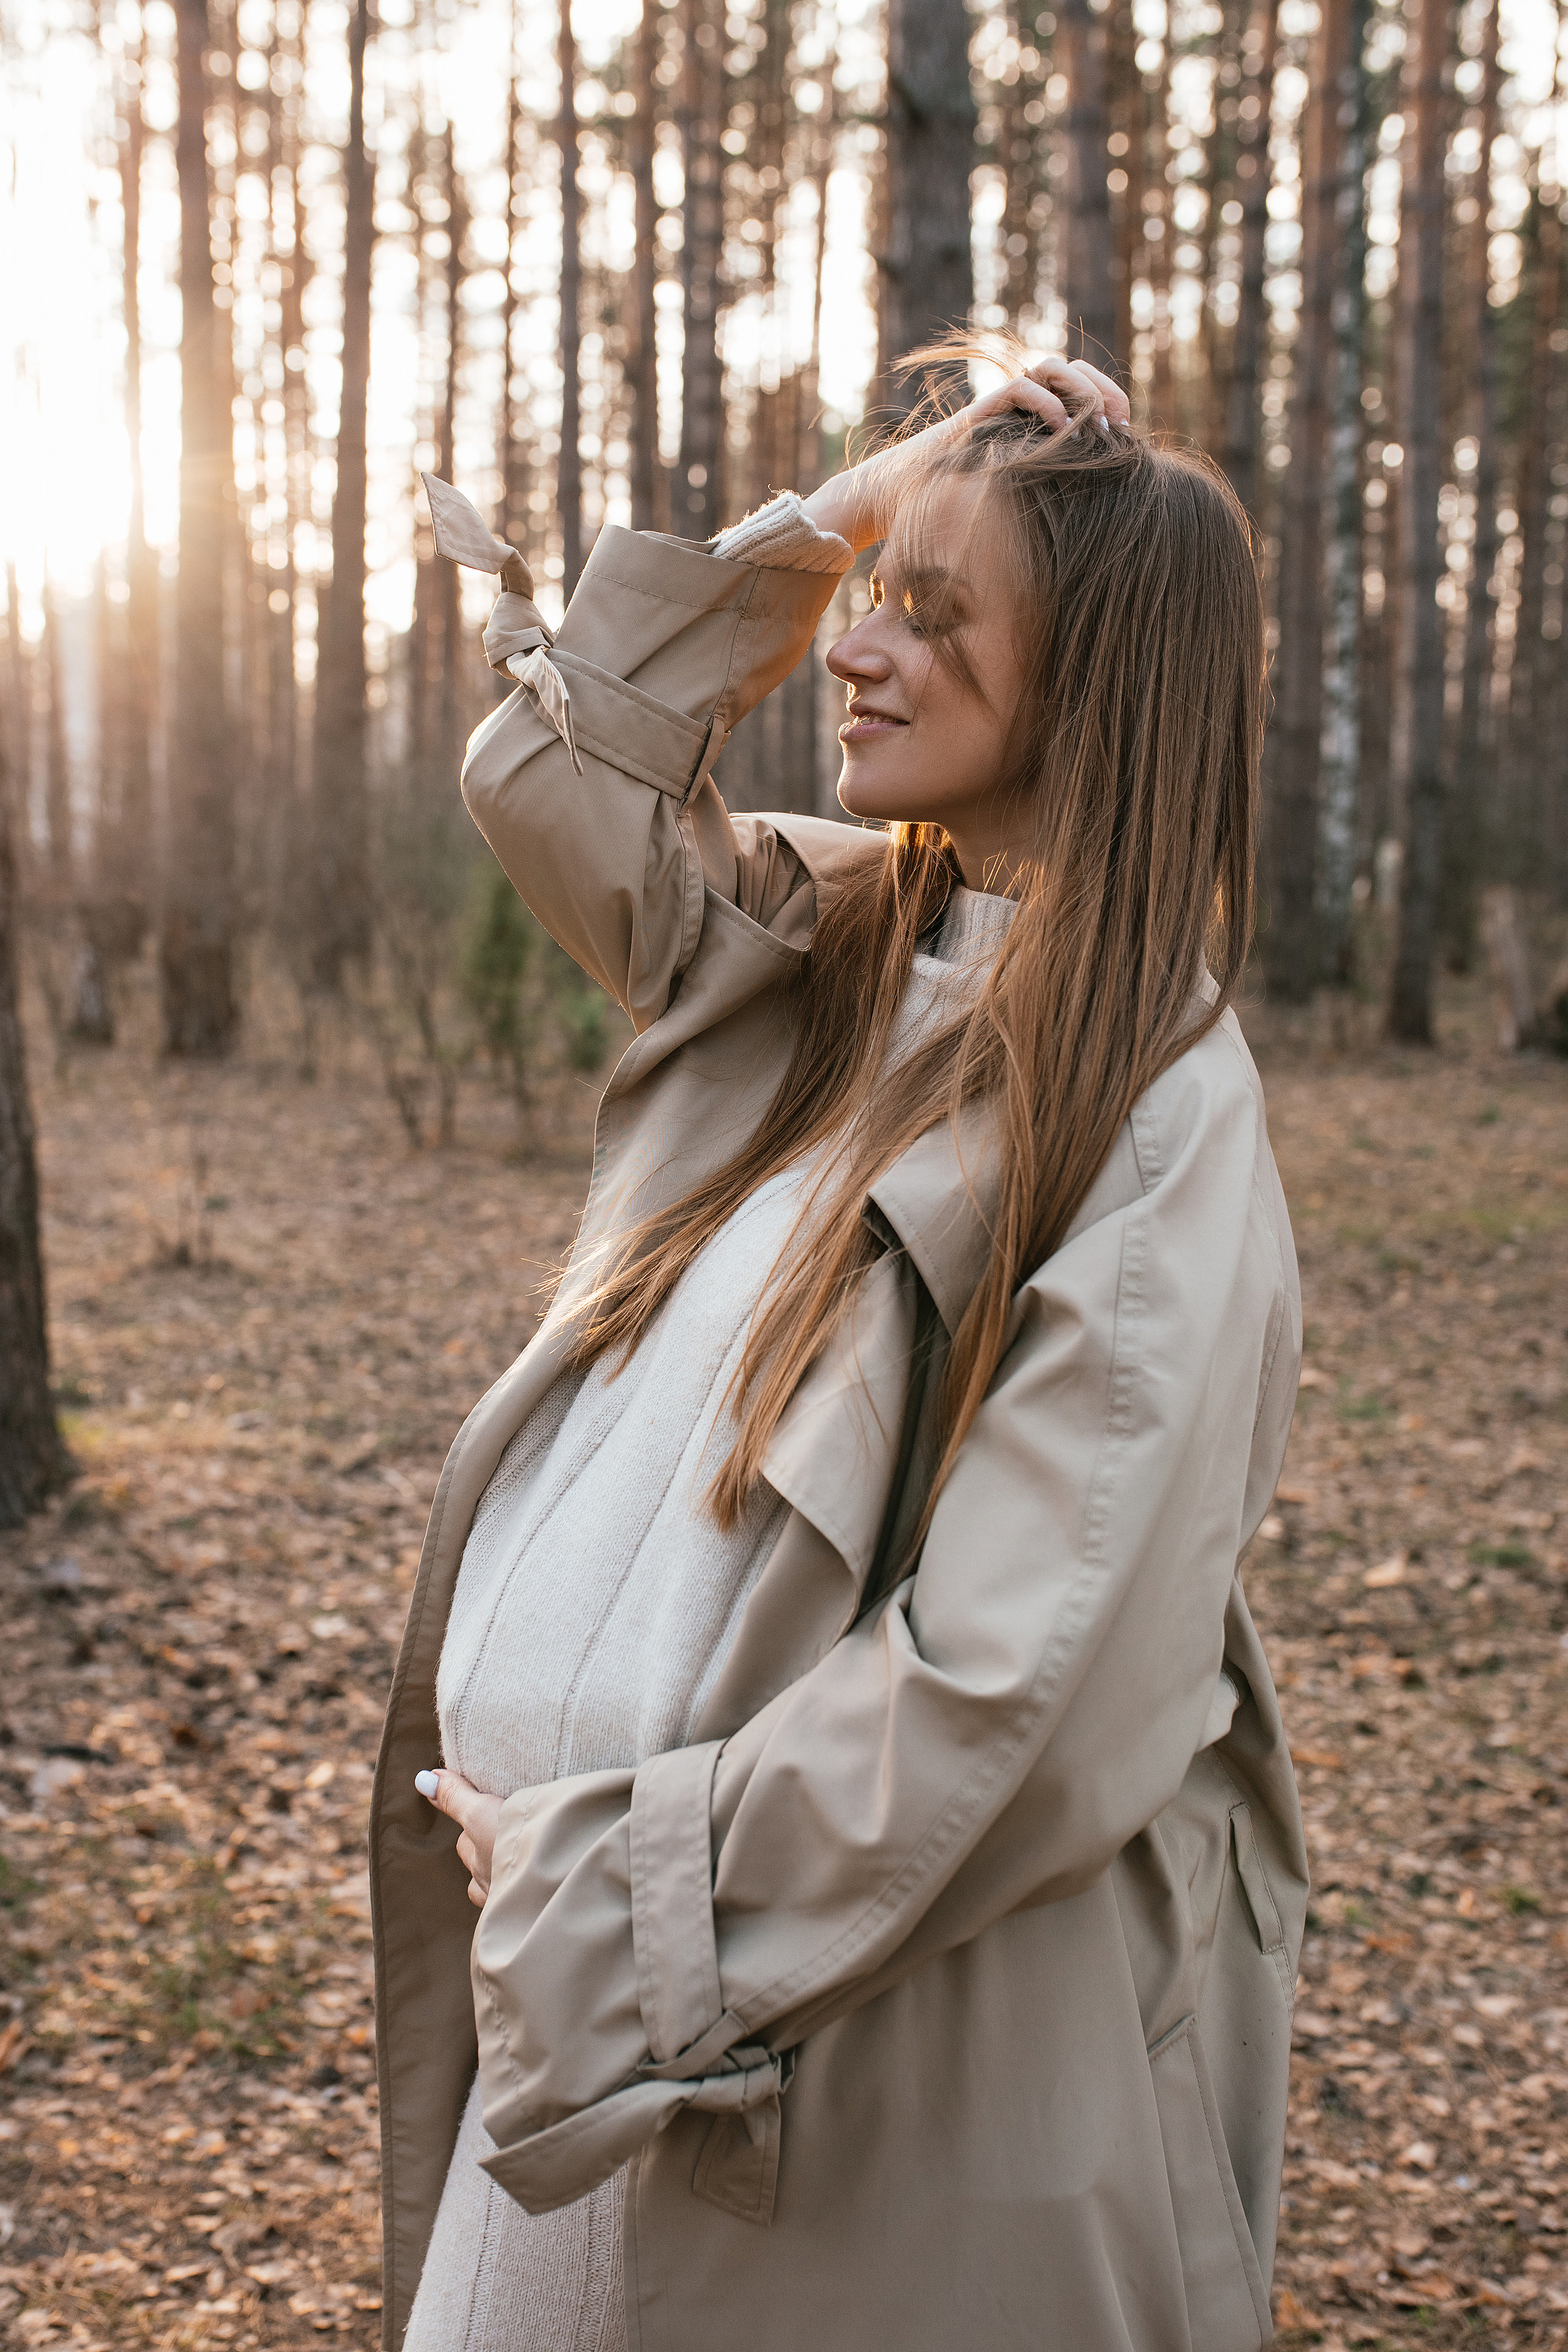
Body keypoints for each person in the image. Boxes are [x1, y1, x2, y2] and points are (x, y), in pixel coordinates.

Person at [369, 348, 1306, 2352]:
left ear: (1098, 681)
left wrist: (601, 1897)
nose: (861, 651)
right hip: (597, 2077)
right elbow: (548, 775)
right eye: (878, 596)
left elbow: (1014, 1693)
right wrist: (854, 507)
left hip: (813, 2116)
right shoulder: (831, 943)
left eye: (934, 612)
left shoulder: (1154, 1119)